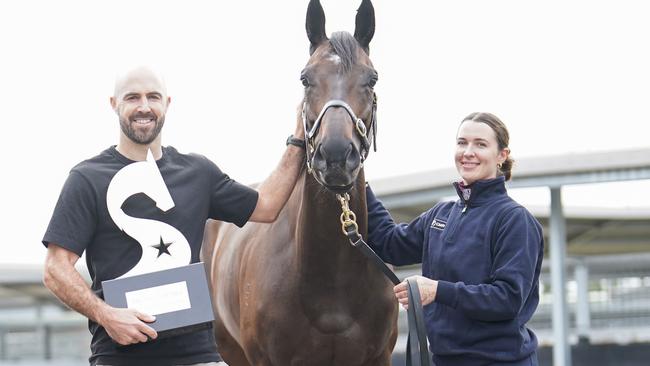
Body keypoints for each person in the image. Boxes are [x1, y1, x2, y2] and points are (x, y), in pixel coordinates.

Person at [41, 66, 305, 366]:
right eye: (132, 97)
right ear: (114, 104)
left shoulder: (198, 173)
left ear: (167, 103)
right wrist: (107, 315)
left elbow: (268, 206)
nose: (144, 106)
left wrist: (299, 137)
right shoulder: (87, 179)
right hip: (119, 358)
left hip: (198, 356)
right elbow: (55, 269)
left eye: (153, 97)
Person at [366, 112, 544, 366]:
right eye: (462, 142)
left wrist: (437, 290)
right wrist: (360, 184)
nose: (468, 152)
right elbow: (391, 244)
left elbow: (507, 299)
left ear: (501, 156)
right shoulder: (441, 214)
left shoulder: (515, 220)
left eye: (480, 144)